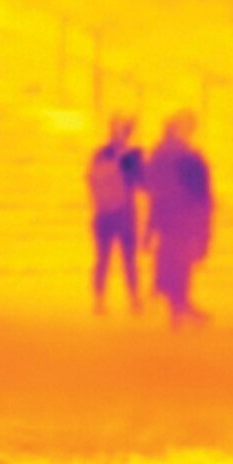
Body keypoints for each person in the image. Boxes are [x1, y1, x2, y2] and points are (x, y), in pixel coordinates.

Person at [143, 113, 214, 329]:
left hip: (168, 211)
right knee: (180, 258)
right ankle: (178, 305)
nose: (190, 131)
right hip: (182, 211)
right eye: (187, 127)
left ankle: (177, 304)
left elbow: (152, 186)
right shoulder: (183, 154)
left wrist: (151, 224)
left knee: (175, 257)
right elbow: (198, 188)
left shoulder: (160, 152)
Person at [85, 115, 145, 315]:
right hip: (125, 215)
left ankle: (99, 301)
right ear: (128, 133)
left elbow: (90, 180)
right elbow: (143, 183)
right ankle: (134, 300)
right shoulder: (131, 156)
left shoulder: (99, 154)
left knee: (102, 258)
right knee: (129, 259)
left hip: (102, 215)